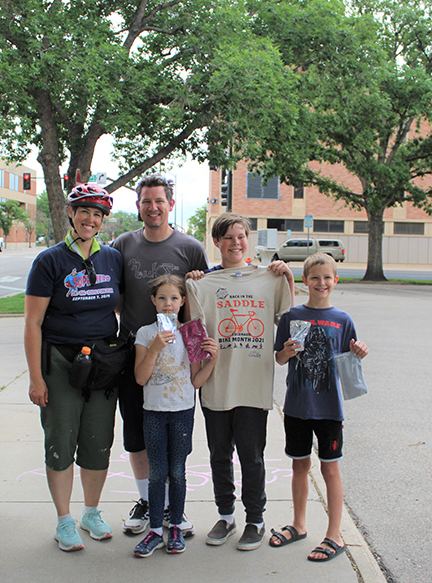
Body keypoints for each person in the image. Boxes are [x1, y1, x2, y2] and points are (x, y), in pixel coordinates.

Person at [185, 212, 293, 552]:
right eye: (228, 237)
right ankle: (226, 515)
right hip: (216, 384)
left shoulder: (269, 279)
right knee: (219, 454)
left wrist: (287, 276)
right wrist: (192, 286)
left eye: (241, 236)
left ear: (249, 240)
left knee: (252, 456)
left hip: (252, 386)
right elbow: (192, 336)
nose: (235, 243)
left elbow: (289, 321)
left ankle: (256, 519)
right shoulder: (202, 283)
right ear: (216, 243)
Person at [24, 184, 123, 552]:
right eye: (84, 211)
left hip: (102, 365)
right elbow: (32, 323)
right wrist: (36, 378)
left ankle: (91, 513)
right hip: (61, 363)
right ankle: (64, 519)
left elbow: (122, 308)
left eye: (97, 214)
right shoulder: (49, 261)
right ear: (70, 213)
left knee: (98, 443)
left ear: (102, 220)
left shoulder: (112, 259)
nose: (90, 219)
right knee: (61, 442)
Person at [112, 174, 208, 537]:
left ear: (170, 203)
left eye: (159, 201)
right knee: (137, 436)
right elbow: (114, 296)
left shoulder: (190, 248)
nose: (153, 207)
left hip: (178, 363)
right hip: (135, 354)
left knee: (172, 439)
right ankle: (148, 502)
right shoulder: (122, 245)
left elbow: (200, 300)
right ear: (138, 206)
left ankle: (172, 507)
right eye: (146, 201)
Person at [271, 252, 369, 562]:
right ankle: (299, 525)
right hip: (298, 406)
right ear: (304, 281)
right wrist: (286, 350)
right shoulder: (291, 316)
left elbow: (348, 364)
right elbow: (279, 358)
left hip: (329, 409)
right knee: (299, 466)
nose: (321, 282)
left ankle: (334, 534)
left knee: (330, 468)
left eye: (327, 277)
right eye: (315, 277)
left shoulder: (343, 320)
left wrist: (359, 352)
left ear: (335, 280)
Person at [131, 274, 219, 557]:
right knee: (157, 473)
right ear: (153, 301)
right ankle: (155, 530)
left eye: (174, 299)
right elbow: (140, 378)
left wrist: (213, 359)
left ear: (183, 302)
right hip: (154, 413)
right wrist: (155, 348)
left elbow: (195, 381)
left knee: (177, 472)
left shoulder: (191, 333)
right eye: (162, 298)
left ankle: (176, 525)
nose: (168, 304)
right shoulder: (146, 334)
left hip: (182, 412)